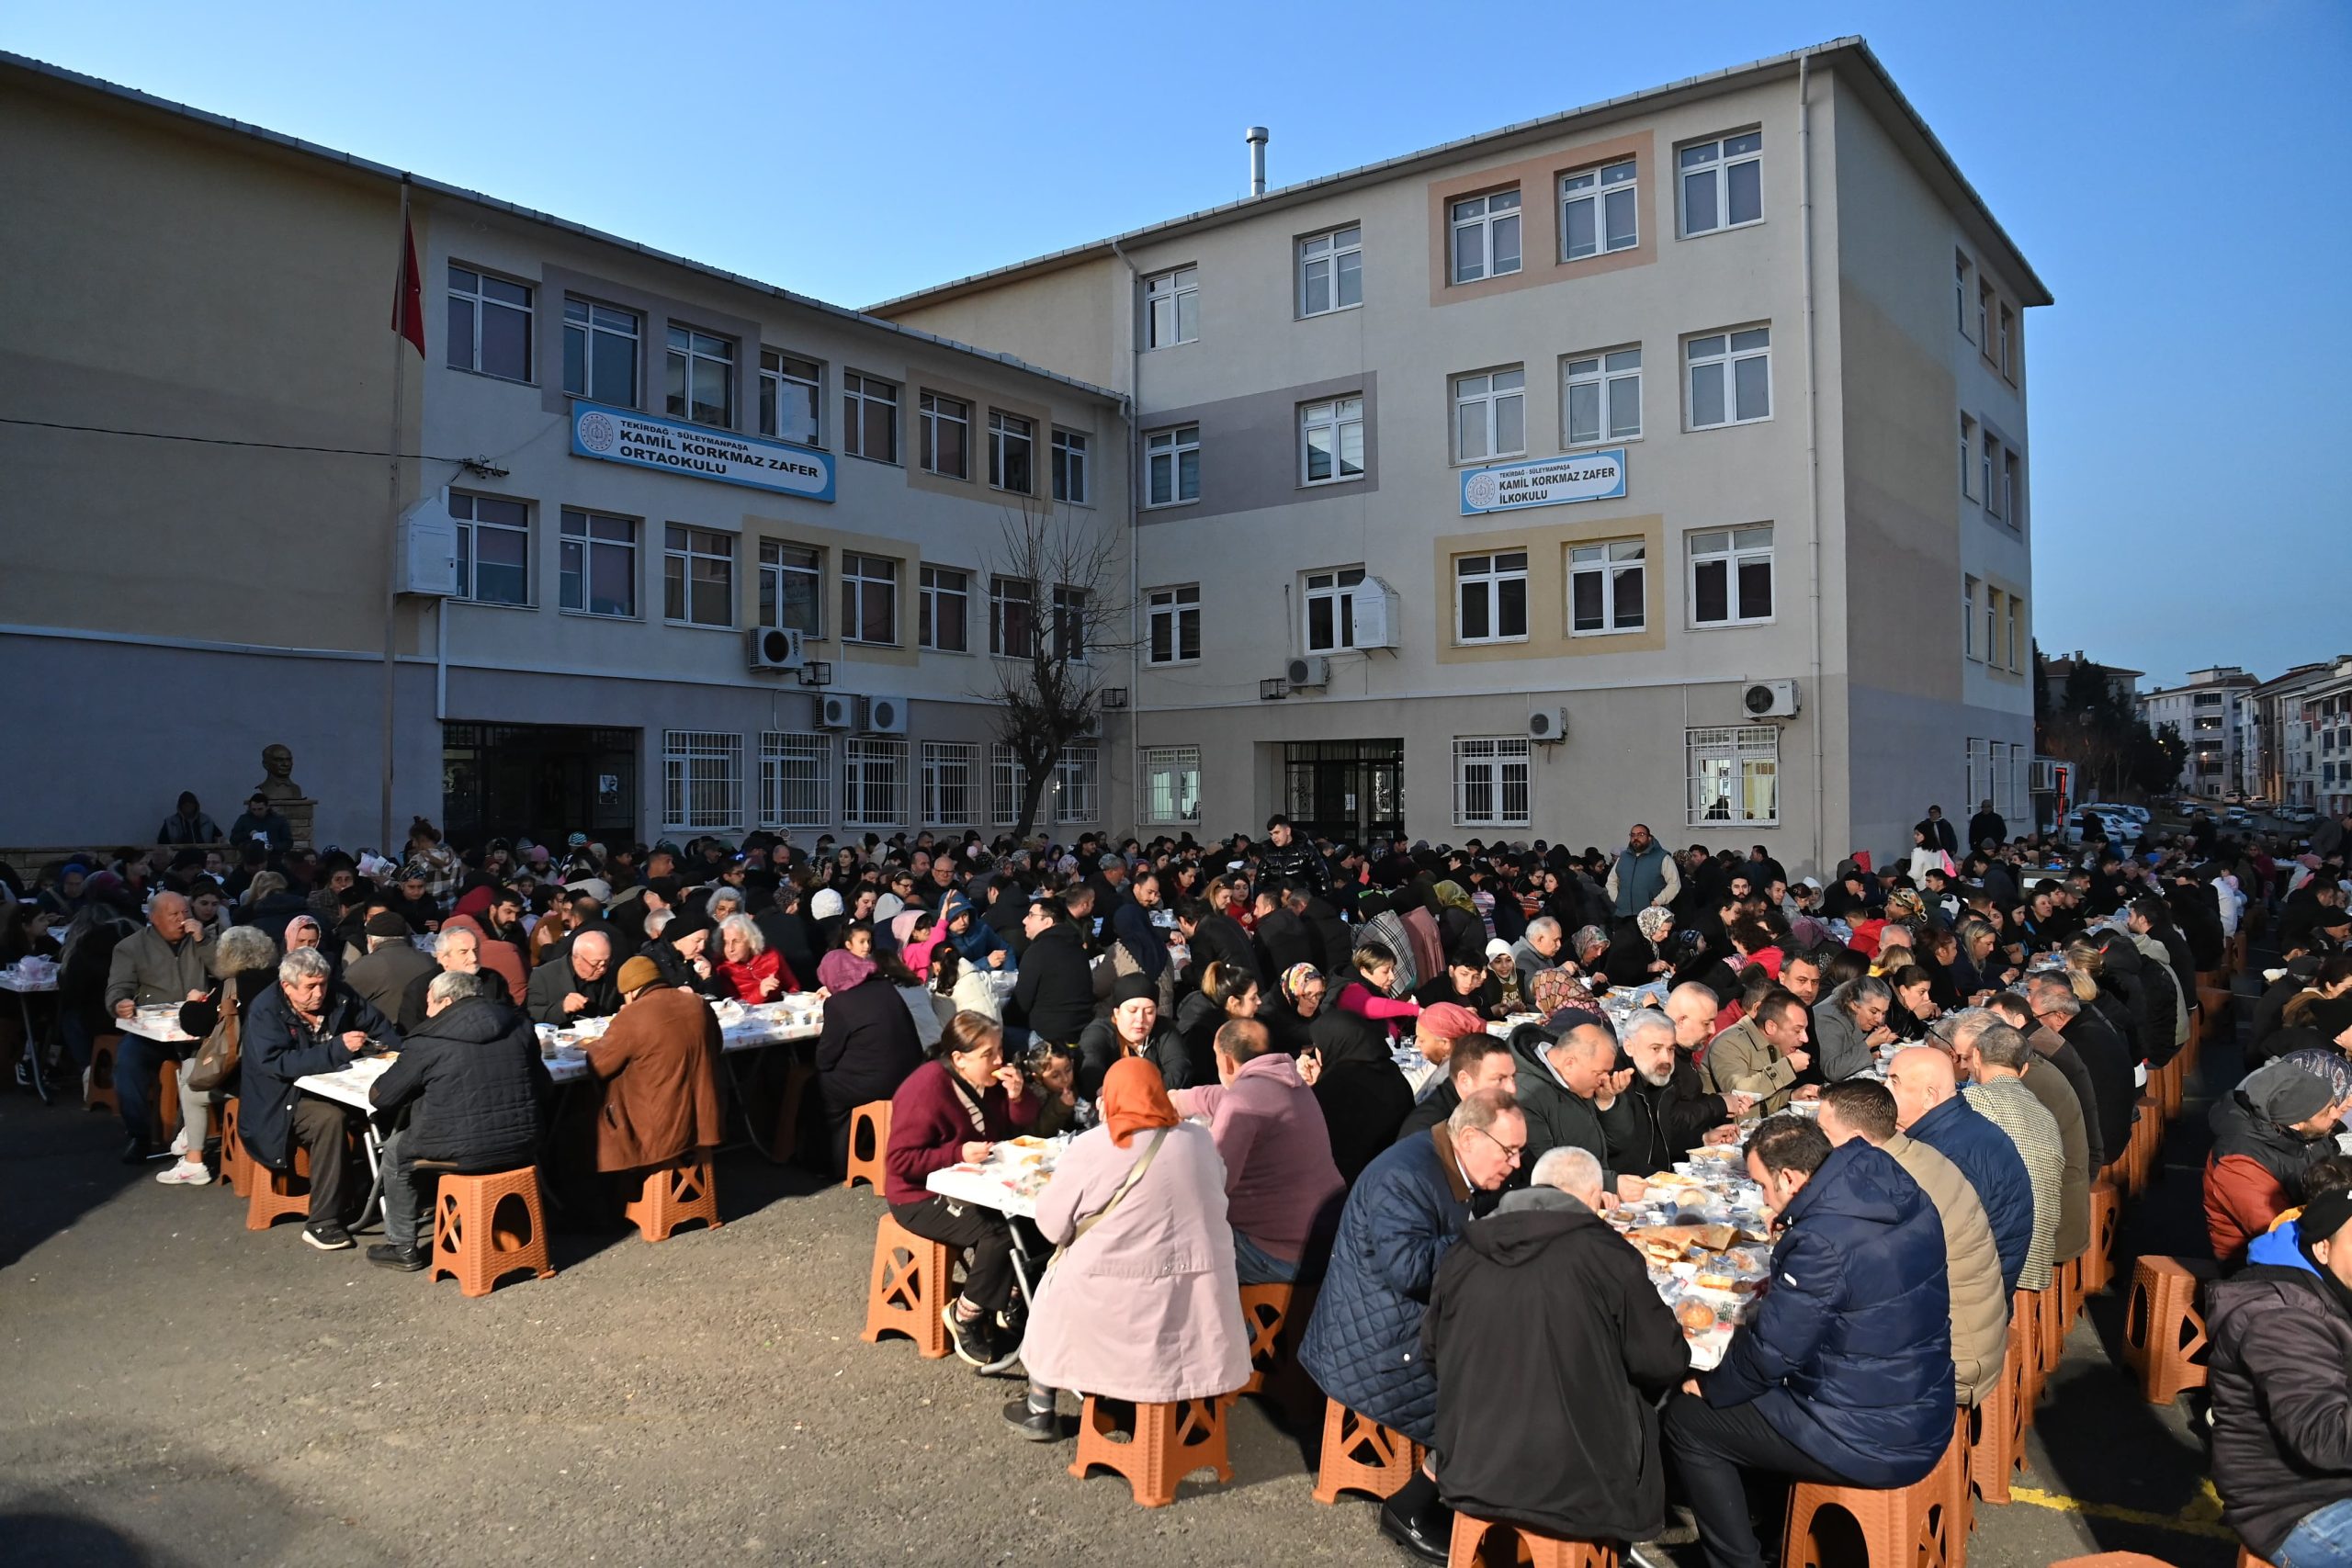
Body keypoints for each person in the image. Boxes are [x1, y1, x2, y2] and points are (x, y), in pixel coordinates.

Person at [1662, 1116, 1954, 1568]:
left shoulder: (1822, 1240)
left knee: (1689, 1419)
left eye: (1762, 1185)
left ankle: (1739, 1561)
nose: (1764, 1198)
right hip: (1922, 1399)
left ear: (1789, 1178)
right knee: (1749, 1398)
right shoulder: (1895, 1191)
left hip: (1870, 1432)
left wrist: (1710, 1386)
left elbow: (1770, 1355)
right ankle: (1772, 1528)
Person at [1299, 1090, 1528, 1562]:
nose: (1516, 1163)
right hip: (1380, 1341)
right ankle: (1413, 1507)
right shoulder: (1404, 1176)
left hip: (1403, 1319)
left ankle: (1492, 1499)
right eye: (1508, 1151)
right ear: (1469, 1138)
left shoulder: (1448, 1164)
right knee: (1508, 1385)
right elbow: (1409, 1270)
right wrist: (1486, 1237)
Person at [1423, 1145, 1689, 1548]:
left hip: (1471, 1464)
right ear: (1593, 1197)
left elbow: (1433, 1352)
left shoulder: (1463, 1250)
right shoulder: (1609, 1255)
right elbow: (1663, 1362)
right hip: (1580, 1483)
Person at [1008, 1056, 1251, 1439]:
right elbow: (1217, 1187)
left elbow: (1053, 1228)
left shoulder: (1092, 1146)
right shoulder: (1199, 1141)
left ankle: (1041, 1406)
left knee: (1053, 1291)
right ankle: (1181, 1414)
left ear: (1111, 1098)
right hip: (1199, 1294)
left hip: (1113, 1300)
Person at [1817, 1081, 2008, 1406]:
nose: (1817, 1144)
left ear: (1856, 1139)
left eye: (1824, 1133)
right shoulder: (1916, 1153)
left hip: (1953, 1358)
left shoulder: (1889, 1188)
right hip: (1972, 1334)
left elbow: (1848, 1284)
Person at [363, 969, 552, 1271]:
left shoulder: (428, 1039)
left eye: (430, 1002)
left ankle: (402, 1246)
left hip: (459, 1149)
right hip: (524, 1141)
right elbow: (544, 1087)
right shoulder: (519, 1025)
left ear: (447, 1002)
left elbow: (382, 1098)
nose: (427, 1011)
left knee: (396, 1150)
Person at [884, 1011, 1038, 1373]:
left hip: (980, 1182)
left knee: (1035, 1217)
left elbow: (1019, 1124)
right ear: (959, 1058)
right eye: (988, 1054)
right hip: (918, 1195)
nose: (999, 1060)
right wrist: (957, 1153)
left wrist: (1018, 1097)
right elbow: (900, 1161)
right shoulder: (926, 1088)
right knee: (1000, 1232)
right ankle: (966, 1313)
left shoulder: (990, 1080)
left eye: (999, 1050)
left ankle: (1011, 1303)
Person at [2208, 1185, 2352, 1565]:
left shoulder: (2335, 1290)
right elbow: (2325, 1437)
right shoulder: (2282, 1318)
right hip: (2298, 1506)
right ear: (2324, 1249)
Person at [238, 946, 398, 1250]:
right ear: (287, 986)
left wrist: (397, 1054)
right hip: (281, 1100)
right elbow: (276, 1063)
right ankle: (323, 1221)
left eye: (323, 983)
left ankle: (392, 1194)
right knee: (329, 1119)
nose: (319, 992)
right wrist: (335, 1050)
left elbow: (378, 1024)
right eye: (310, 987)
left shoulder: (339, 994)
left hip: (333, 1086)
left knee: (390, 1101)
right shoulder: (265, 1010)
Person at [1169, 1019, 1344, 1285]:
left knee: (1174, 1249)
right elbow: (1226, 1096)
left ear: (1227, 1061)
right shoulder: (1290, 1082)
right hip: (1327, 1236)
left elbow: (1213, 1185)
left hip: (1279, 1253)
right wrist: (1179, 1100)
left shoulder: (1243, 1101)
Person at [1886, 1044, 2033, 1294]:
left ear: (1929, 1096)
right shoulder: (1959, 1125)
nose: (1884, 1089)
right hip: (1984, 1280)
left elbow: (1922, 1242)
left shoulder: (1943, 1155)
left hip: (1970, 1296)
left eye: (1894, 1082)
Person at [1942, 1013, 2065, 1294]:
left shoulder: (1975, 1100)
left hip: (2004, 1262)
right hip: (2039, 1254)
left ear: (1976, 1056)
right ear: (2023, 1070)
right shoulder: (2043, 1112)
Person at [154, 924, 279, 1187]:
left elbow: (194, 1023)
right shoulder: (278, 980)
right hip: (275, 1070)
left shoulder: (232, 986)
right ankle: (189, 1133)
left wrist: (192, 1001)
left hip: (249, 1079)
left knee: (191, 1088)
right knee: (190, 1066)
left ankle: (194, 1161)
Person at [582, 954, 725, 1181]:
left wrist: (589, 1046)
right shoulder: (697, 1003)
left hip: (657, 1128)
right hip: (703, 1118)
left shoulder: (632, 1015)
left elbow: (599, 1065)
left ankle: (620, 1190)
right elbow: (717, 1045)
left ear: (630, 992)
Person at [104, 889, 219, 1163]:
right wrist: (119, 1003)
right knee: (128, 1062)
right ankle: (139, 1135)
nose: (182, 919)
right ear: (154, 918)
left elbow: (224, 970)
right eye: (173, 914)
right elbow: (117, 987)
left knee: (219, 1060)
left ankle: (196, 1133)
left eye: (185, 912)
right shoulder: (131, 947)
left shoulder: (203, 939)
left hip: (197, 1028)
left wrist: (203, 941)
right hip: (154, 1032)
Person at [2207, 1059, 2345, 1265]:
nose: (2336, 1114)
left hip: (2312, 1222)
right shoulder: (2238, 1164)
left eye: (2333, 1104)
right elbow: (2278, 1231)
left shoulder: (2308, 1132)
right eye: (2326, 1111)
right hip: (2258, 1261)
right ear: (2296, 1124)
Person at [1507, 1012, 1644, 1200]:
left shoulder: (1580, 1083)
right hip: (1560, 1202)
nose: (1605, 1079)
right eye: (1599, 1072)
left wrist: (1606, 1102)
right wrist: (1610, 1185)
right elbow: (1544, 1169)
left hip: (1596, 1194)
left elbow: (1616, 1144)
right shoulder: (1527, 1095)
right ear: (1570, 1064)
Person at [813, 947, 925, 1172]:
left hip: (877, 1082)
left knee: (821, 1088)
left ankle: (836, 1163)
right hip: (911, 1072)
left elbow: (825, 1059)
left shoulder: (838, 1003)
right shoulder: (886, 987)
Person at [1611, 1010, 1745, 1177]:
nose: (1666, 1058)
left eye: (1670, 1049)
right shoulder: (1613, 1084)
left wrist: (1703, 1139)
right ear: (1629, 1047)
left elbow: (1662, 1139)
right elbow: (1618, 1153)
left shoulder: (1659, 1077)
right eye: (1655, 1048)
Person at [1396, 1028, 1520, 1144]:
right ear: (1464, 1080)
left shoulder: (1490, 1109)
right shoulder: (1428, 1133)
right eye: (1499, 1079)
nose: (1512, 1089)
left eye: (1513, 1077)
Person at [1700, 987, 1814, 1114]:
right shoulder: (1728, 1043)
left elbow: (1763, 1101)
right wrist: (1788, 1066)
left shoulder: (1773, 1043)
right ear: (1771, 1027)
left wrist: (1792, 1096)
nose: (1805, 1039)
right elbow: (1739, 1095)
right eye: (1797, 1030)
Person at [1009, 897, 1093, 1048]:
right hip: (1081, 1030)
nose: (1024, 920)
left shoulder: (1038, 951)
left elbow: (1021, 1004)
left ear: (1047, 921)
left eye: (1031, 915)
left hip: (1047, 1038)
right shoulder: (1077, 947)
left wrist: (1003, 1018)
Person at [395, 921, 494, 1032]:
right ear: (443, 958)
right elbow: (410, 1031)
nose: (473, 958)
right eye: (463, 952)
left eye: (475, 950)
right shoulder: (421, 988)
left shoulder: (492, 979)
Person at [1812, 975, 1896, 1083]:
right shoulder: (1830, 1019)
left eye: (1883, 1013)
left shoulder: (1857, 1018)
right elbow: (1832, 1071)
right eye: (1874, 1012)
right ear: (1854, 1005)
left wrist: (1871, 1055)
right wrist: (1869, 1043)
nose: (1880, 1019)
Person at [525, 931, 619, 1025]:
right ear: (577, 958)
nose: (602, 969)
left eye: (606, 963)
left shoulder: (613, 975)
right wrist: (562, 1008)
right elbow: (530, 1014)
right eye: (595, 964)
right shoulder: (543, 976)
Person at [713, 912, 794, 1002]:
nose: (730, 949)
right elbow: (734, 1005)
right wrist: (760, 993)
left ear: (750, 940)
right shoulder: (723, 969)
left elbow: (793, 987)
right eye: (726, 942)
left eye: (736, 941)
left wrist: (793, 1002)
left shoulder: (771, 955)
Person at [1608, 822, 1679, 919]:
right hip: (1624, 915)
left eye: (1641, 835)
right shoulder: (1623, 857)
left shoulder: (1662, 857)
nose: (1636, 838)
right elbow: (1611, 881)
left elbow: (1674, 884)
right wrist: (1617, 899)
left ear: (1649, 838)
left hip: (1652, 916)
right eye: (1632, 835)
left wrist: (1657, 902)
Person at [227, 791, 292, 853]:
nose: (257, 812)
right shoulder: (244, 819)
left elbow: (288, 843)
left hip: (273, 857)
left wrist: (273, 847)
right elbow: (233, 839)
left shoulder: (279, 820)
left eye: (260, 809)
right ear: (250, 808)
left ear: (267, 807)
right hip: (250, 857)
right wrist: (248, 834)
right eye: (254, 809)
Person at [157, 791, 221, 845]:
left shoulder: (206, 821)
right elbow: (161, 844)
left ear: (196, 805)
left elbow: (219, 838)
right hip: (178, 855)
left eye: (191, 804)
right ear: (180, 806)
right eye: (185, 805)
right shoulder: (170, 823)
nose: (188, 807)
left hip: (205, 854)